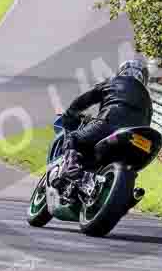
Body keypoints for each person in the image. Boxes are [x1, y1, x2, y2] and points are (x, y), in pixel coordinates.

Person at [55, 59, 153, 203]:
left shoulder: (113, 81)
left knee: (74, 138)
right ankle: (127, 196)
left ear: (122, 71)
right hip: (136, 137)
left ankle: (72, 168)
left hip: (108, 125)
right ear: (144, 78)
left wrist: (70, 113)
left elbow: (85, 99)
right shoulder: (148, 100)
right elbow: (147, 124)